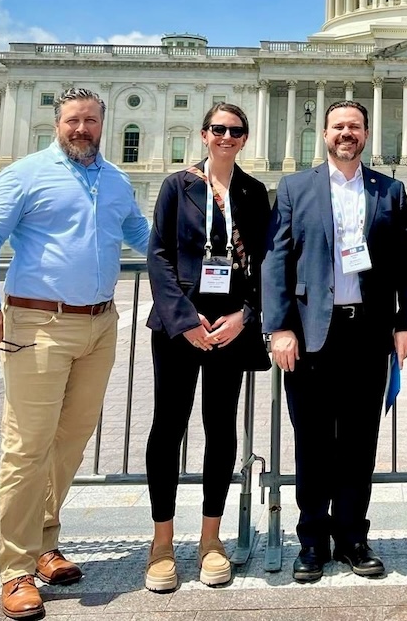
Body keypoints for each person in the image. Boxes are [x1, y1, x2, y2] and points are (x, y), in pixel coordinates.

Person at [0, 87, 150, 621]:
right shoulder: (25, 174)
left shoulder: (115, 180)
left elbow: (141, 235)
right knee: (27, 446)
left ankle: (45, 542)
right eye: (73, 120)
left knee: (70, 442)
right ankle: (15, 569)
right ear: (58, 123)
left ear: (102, 123)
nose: (82, 129)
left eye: (90, 120)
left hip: (99, 324)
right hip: (38, 322)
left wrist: (203, 248)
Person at [262, 101, 407, 584]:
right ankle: (312, 540)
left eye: (354, 127)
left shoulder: (388, 190)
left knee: (358, 442)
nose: (346, 134)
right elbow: (276, 260)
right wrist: (279, 327)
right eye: (338, 127)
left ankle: (353, 537)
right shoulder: (295, 187)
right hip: (311, 333)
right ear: (325, 133)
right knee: (312, 442)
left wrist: (406, 322)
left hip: (367, 332)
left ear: (366, 134)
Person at [142, 103, 272, 593]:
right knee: (168, 427)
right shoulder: (178, 185)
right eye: (218, 129)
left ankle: (211, 539)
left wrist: (246, 316)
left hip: (229, 326)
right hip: (181, 326)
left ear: (244, 138)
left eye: (235, 131)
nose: (226, 137)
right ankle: (162, 543)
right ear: (204, 134)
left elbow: (265, 262)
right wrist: (183, 319)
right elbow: (158, 255)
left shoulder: (253, 192)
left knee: (221, 429)